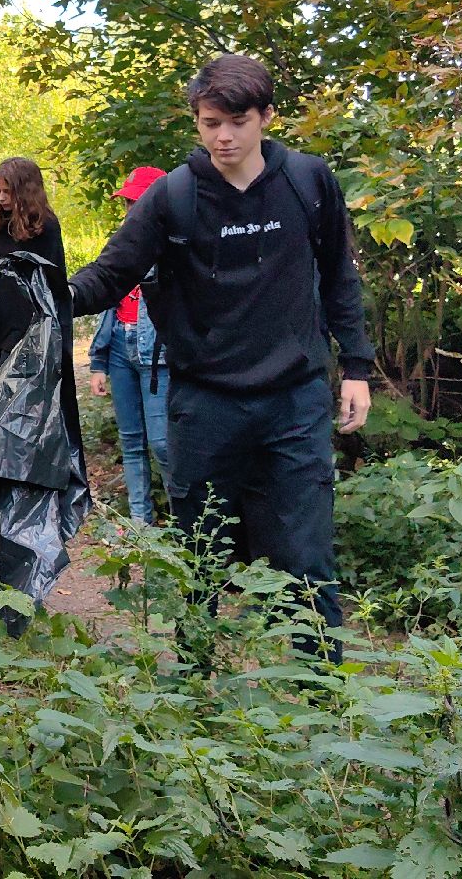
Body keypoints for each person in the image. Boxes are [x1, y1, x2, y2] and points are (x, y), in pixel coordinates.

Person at [68, 53, 374, 655]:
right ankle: (195, 685)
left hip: (295, 398)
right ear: (198, 123)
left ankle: (321, 692)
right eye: (210, 123)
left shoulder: (307, 181)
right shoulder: (173, 198)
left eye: (237, 121)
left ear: (265, 116)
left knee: (305, 553)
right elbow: (110, 274)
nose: (223, 136)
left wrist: (357, 369)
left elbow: (340, 276)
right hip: (205, 400)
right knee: (200, 553)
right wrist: (47, 296)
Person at [86, 166, 171, 526]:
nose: (130, 210)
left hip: (159, 357)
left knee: (164, 444)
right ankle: (141, 525)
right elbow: (108, 303)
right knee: (131, 441)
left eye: (137, 202)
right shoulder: (122, 244)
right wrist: (98, 362)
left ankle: (188, 524)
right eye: (128, 203)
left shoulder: (174, 247)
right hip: (121, 344)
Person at [0, 157, 71, 380]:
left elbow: (53, 288)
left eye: (7, 192)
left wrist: (39, 339)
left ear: (25, 191)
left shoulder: (45, 227)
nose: (1, 198)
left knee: (14, 408)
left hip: (26, 336)